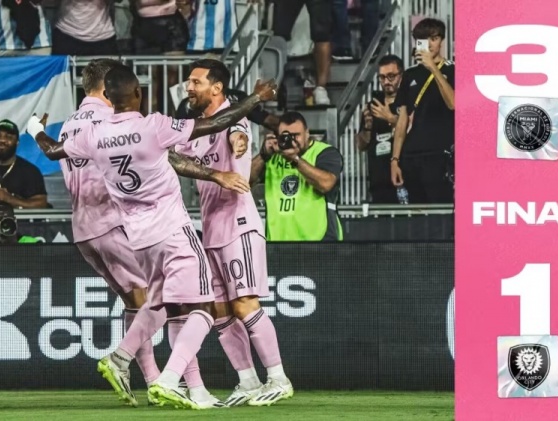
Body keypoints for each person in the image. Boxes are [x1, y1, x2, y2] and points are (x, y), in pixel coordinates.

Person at [27, 65, 277, 409]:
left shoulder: (93, 135)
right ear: (138, 93)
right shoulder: (153, 126)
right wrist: (256, 98)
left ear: (108, 96)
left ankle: (132, 362)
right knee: (204, 308)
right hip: (172, 229)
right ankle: (168, 378)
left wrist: (35, 129)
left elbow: (53, 150)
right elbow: (217, 122)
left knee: (163, 306)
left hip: (139, 238)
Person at [176, 59, 293, 407]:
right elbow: (174, 154)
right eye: (188, 82)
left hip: (238, 225)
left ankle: (278, 378)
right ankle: (249, 381)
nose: (188, 87)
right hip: (211, 229)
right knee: (220, 311)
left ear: (217, 87)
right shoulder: (198, 125)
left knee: (244, 303)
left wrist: (240, 143)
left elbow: (237, 134)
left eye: (196, 82)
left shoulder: (234, 119)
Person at [250, 111, 344, 241]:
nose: (291, 140)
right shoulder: (273, 156)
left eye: (296, 135)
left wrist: (294, 159)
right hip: (278, 241)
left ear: (307, 133)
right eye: (286, 136)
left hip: (318, 242)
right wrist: (263, 155)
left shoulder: (324, 152)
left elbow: (326, 184)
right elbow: (244, 182)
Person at [391, 18, 454, 204]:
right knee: (416, 212)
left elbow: (453, 103)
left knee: (440, 210)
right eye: (424, 40)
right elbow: (402, 121)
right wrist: (394, 160)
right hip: (411, 154)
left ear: (441, 40)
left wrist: (433, 68)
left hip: (440, 153)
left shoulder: (453, 70)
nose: (430, 44)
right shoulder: (410, 74)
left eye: (434, 39)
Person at [356, 54, 403, 203]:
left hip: (405, 177)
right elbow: (361, 145)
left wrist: (390, 118)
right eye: (382, 77)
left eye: (391, 76)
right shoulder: (373, 106)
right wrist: (367, 128)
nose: (386, 82)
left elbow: (414, 132)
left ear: (401, 76)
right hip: (378, 179)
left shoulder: (408, 103)